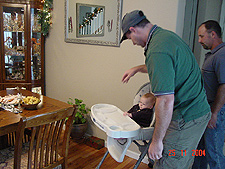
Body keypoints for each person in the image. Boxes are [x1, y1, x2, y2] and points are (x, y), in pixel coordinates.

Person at [120, 10, 211, 168]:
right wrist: (137, 69)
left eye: (130, 39)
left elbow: (165, 101)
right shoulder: (165, 37)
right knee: (184, 159)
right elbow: (167, 67)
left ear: (133, 29)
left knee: (168, 163)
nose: (133, 43)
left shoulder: (157, 50)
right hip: (199, 112)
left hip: (186, 117)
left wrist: (156, 142)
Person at [195, 20, 225, 169]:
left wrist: (214, 113)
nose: (199, 40)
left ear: (213, 34)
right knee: (200, 151)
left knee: (214, 153)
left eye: (201, 36)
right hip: (205, 110)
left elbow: (224, 86)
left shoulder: (222, 55)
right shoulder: (212, 55)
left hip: (215, 111)